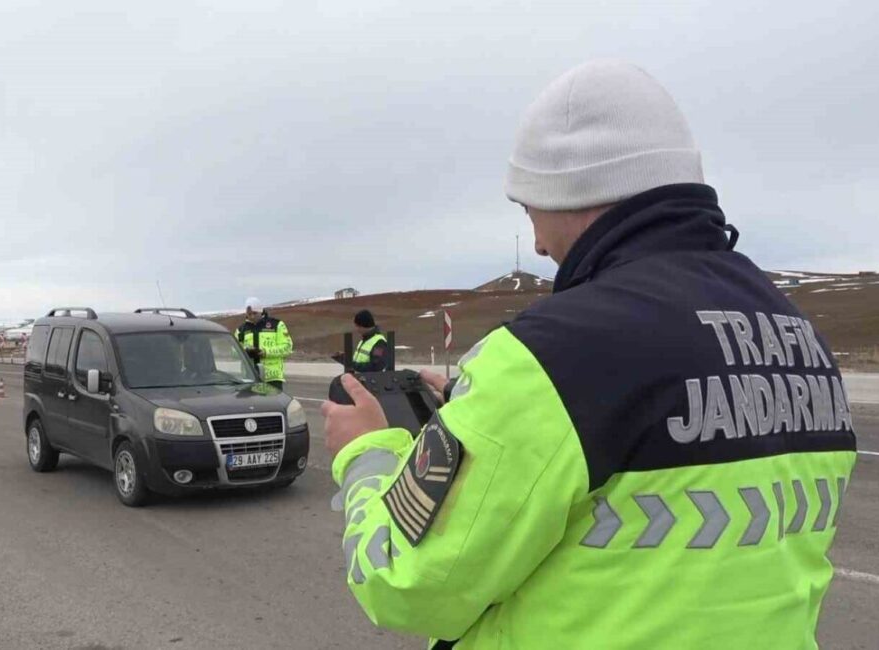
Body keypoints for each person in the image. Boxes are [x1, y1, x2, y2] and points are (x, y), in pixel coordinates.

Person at [321, 60, 857, 649]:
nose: (541, 245)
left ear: (571, 192)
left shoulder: (554, 355)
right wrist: (483, 413)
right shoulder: (795, 332)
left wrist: (368, 454)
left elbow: (405, 582)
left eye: (530, 213)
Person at [234, 297, 293, 390]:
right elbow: (234, 351)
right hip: (250, 377)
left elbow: (287, 347)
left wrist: (265, 352)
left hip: (272, 378)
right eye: (249, 314)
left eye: (255, 313)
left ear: (261, 311)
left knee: (273, 404)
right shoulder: (241, 330)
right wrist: (246, 352)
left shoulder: (276, 325)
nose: (252, 316)